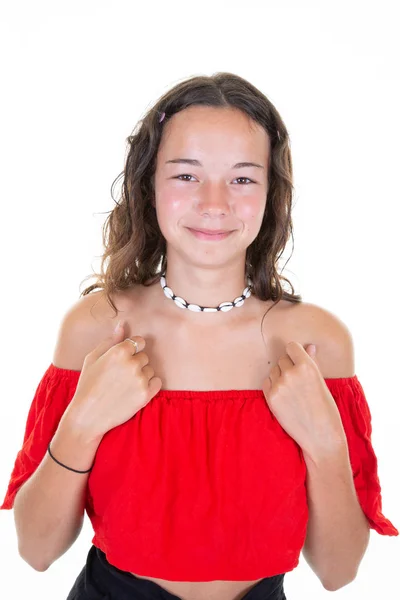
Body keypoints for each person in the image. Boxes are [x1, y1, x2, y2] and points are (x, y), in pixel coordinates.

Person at [1, 72, 398, 600]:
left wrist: (325, 444)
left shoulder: (316, 343)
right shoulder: (95, 328)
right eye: (187, 176)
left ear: (271, 193)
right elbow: (36, 550)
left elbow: (338, 571)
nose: (214, 203)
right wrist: (84, 420)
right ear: (150, 185)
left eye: (242, 178)